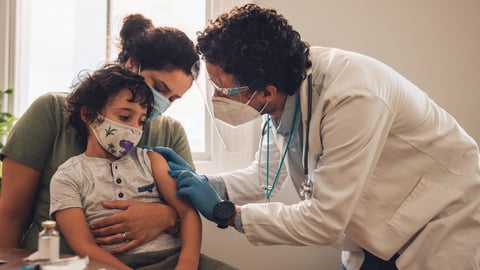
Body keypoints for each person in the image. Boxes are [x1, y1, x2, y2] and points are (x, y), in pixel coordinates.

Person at [159, 3, 480, 270]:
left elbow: (324, 222)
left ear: (266, 91)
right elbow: (264, 176)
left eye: (223, 89)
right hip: (377, 233)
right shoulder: (280, 95)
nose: (217, 98)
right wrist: (207, 184)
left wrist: (227, 213)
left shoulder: (352, 96)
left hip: (439, 228)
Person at [0, 14, 235, 269]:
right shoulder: (51, 112)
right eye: (159, 87)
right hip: (65, 260)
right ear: (132, 64)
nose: (163, 101)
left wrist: (167, 218)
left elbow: (186, 211)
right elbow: (11, 213)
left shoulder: (169, 135)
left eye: (174, 98)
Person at [50, 64, 201, 270]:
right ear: (89, 115)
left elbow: (188, 214)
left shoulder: (151, 160)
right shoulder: (68, 176)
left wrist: (187, 265)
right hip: (112, 265)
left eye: (141, 121)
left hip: (172, 258)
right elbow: (82, 245)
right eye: (124, 117)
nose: (134, 129)